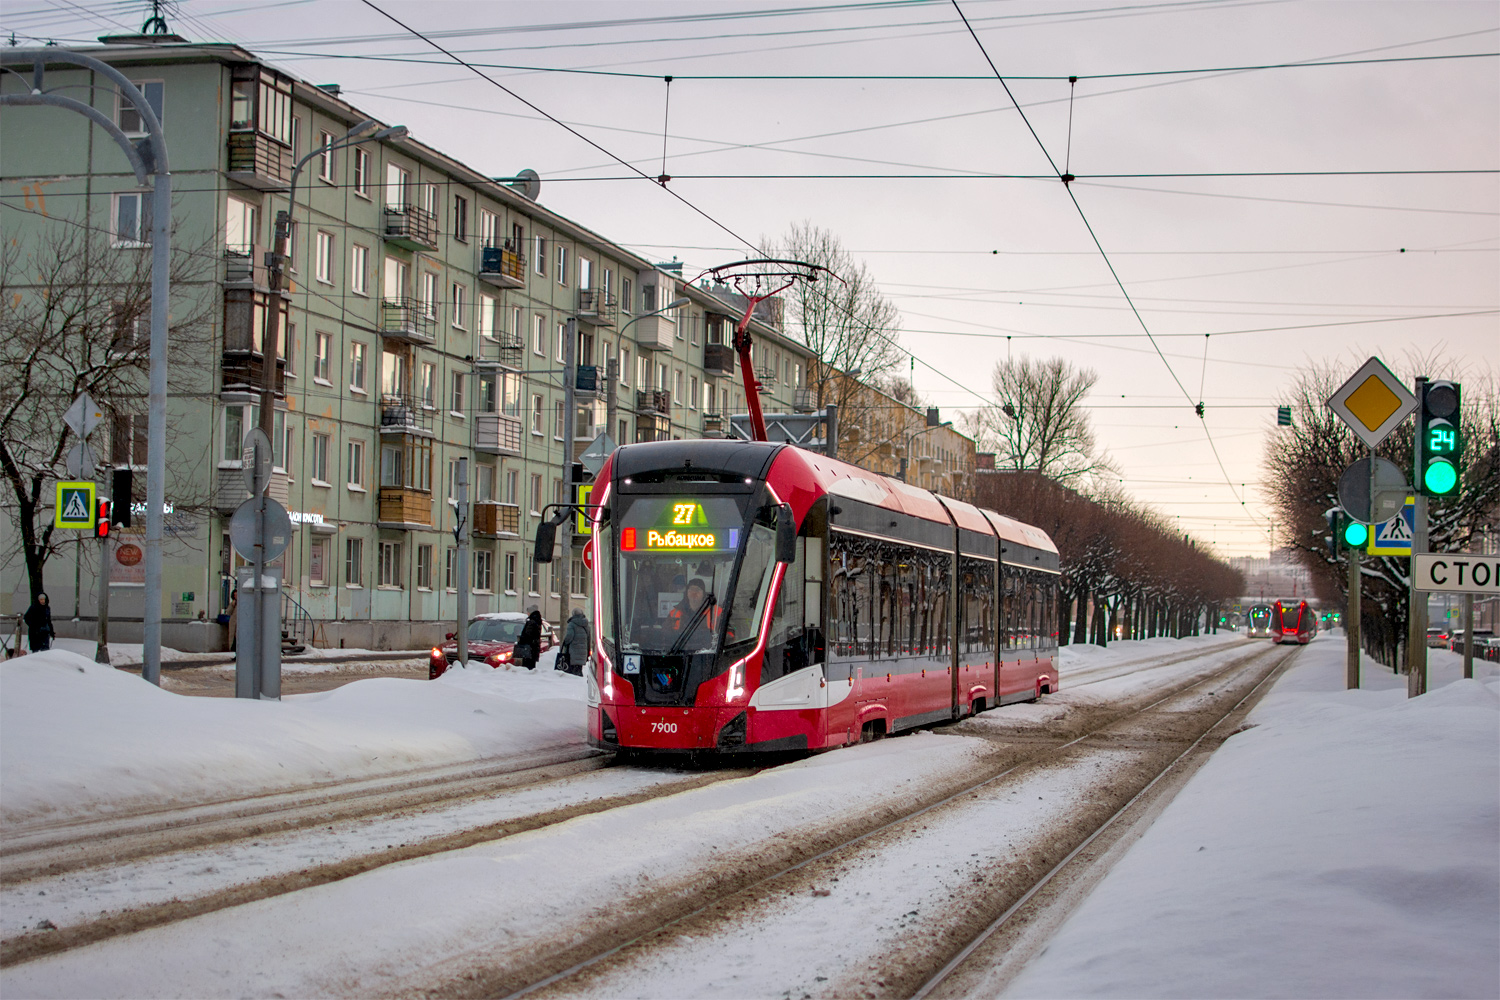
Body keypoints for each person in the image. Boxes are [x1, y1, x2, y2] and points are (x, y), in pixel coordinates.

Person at [558, 607, 590, 675]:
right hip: (583, 650)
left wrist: (565, 643)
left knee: (573, 670)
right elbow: (588, 637)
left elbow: (569, 636)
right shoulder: (586, 624)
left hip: (574, 650)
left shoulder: (571, 624)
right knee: (578, 668)